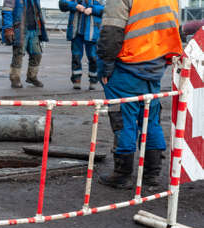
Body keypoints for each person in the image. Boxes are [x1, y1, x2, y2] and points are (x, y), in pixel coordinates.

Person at [97, 0, 183, 189]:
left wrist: (105, 66)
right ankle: (152, 175)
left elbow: (111, 32)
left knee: (123, 119)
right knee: (150, 121)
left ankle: (122, 174)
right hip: (155, 67)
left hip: (127, 66)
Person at [2, 0, 49, 88]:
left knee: (37, 54)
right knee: (18, 54)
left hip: (33, 30)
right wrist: (8, 28)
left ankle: (32, 76)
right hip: (20, 29)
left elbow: (37, 11)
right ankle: (15, 79)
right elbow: (7, 11)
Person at [59, 0, 104, 90]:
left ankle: (93, 81)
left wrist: (93, 9)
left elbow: (107, 9)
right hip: (76, 32)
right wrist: (75, 6)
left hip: (92, 32)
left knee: (93, 57)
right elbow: (62, 4)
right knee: (76, 56)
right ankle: (76, 80)